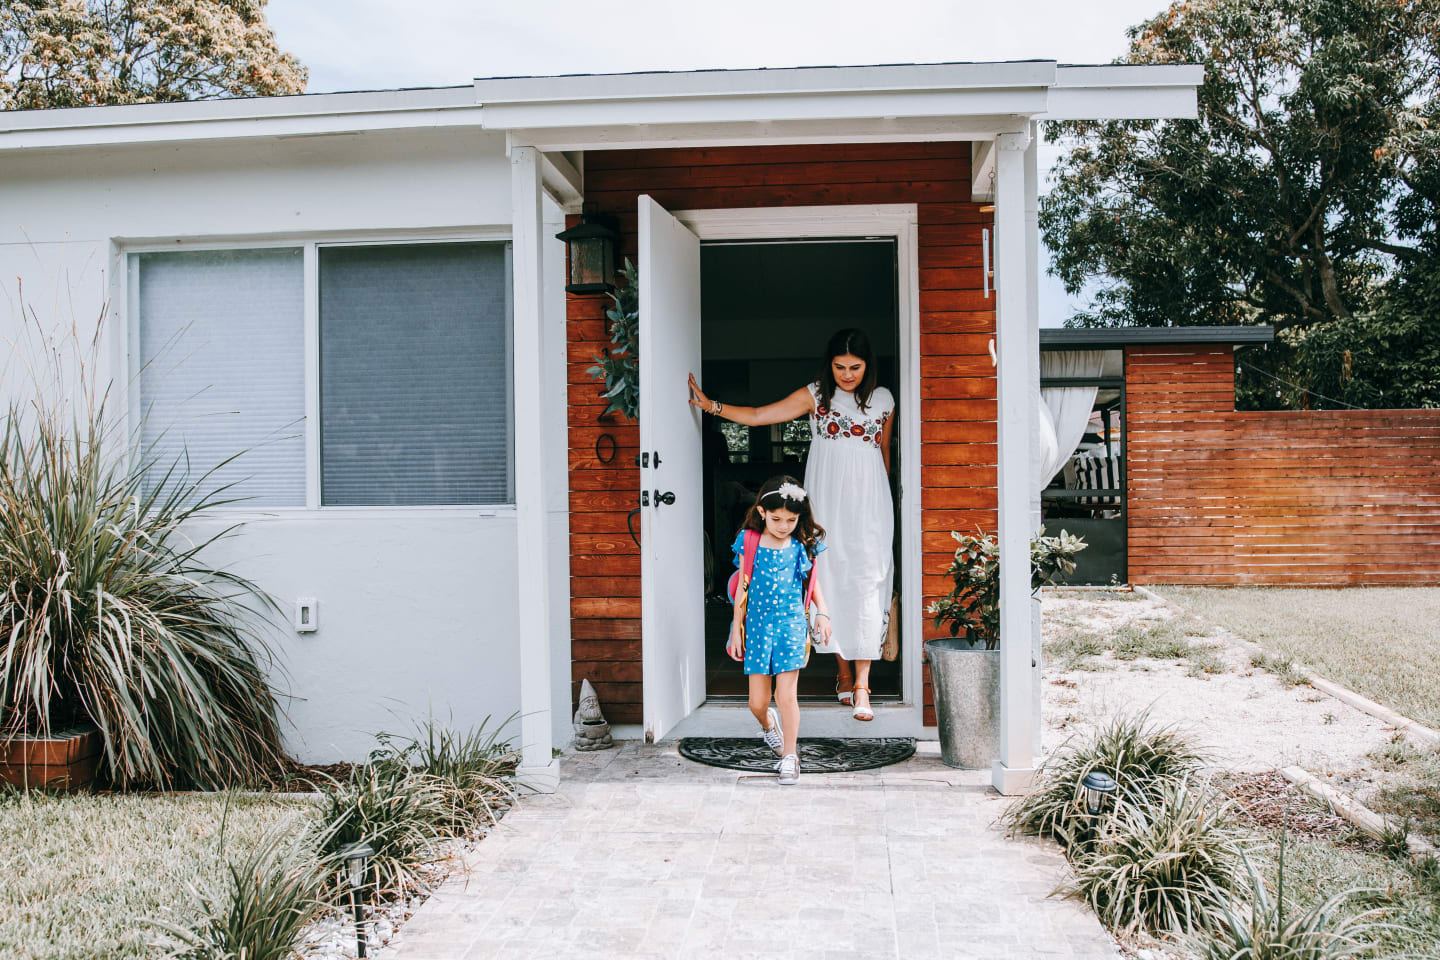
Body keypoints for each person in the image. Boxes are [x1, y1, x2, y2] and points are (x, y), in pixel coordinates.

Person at [691, 328, 894, 722]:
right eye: (839, 367)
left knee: (869, 583)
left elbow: (884, 454)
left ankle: (863, 686)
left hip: (871, 507)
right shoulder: (817, 395)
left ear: (868, 366)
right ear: (829, 365)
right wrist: (712, 406)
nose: (847, 374)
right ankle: (842, 673)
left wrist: (886, 505)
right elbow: (758, 415)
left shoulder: (884, 400)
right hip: (827, 505)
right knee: (829, 581)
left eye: (855, 367)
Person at [727, 475, 830, 785]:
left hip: (790, 625)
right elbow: (743, 587)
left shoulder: (801, 545)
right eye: (776, 518)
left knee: (786, 695)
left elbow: (812, 584)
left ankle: (790, 757)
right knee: (756, 703)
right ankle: (769, 727)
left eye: (790, 519)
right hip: (757, 627)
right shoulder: (750, 541)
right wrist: (735, 629)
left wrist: (822, 612)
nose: (783, 525)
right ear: (761, 512)